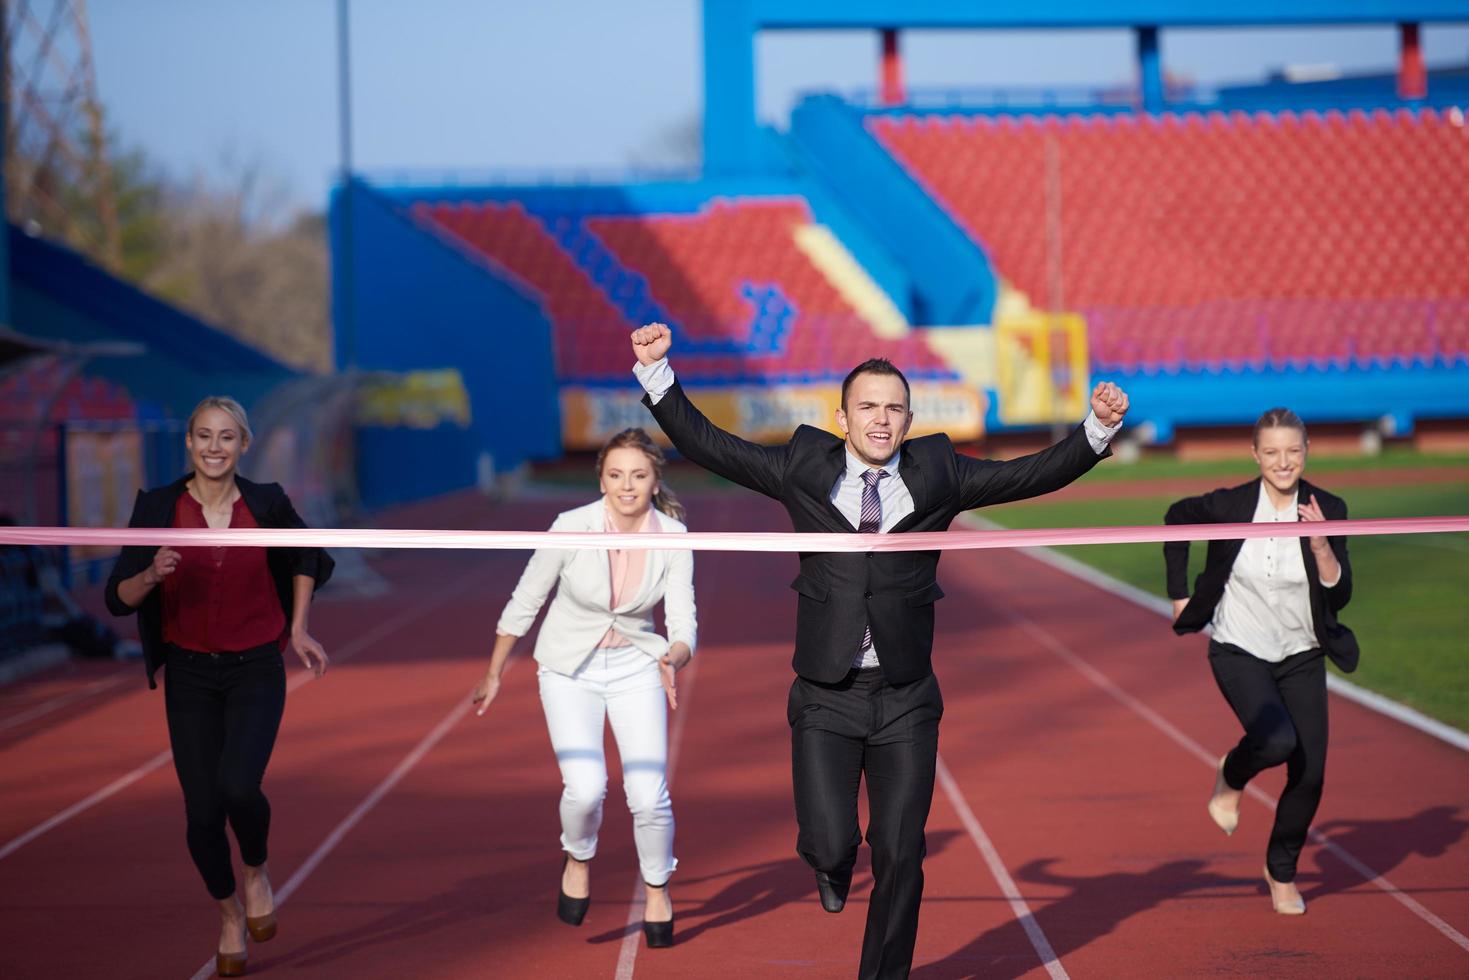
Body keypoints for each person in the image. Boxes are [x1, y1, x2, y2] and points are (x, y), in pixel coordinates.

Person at [628, 322, 1128, 979]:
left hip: (905, 699)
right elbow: (710, 446)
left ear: (909, 418)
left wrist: (1094, 431)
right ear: (842, 417)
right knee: (831, 840)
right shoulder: (800, 467)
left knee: (900, 851)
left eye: (893, 407)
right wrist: (658, 375)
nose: (881, 419)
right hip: (824, 697)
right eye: (867, 406)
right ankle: (829, 864)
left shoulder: (938, 472)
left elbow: (1028, 474)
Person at [105, 396, 333, 978]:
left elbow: (311, 554)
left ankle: (255, 867)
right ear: (188, 442)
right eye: (203, 436)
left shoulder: (266, 502)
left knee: (238, 788)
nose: (214, 447)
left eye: (226, 437)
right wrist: (151, 573)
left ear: (243, 445)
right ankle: (229, 913)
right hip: (189, 674)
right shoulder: (158, 507)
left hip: (255, 666)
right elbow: (117, 597)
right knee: (201, 814)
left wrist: (300, 627)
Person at [472, 427, 697, 949]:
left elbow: (683, 617)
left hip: (637, 666)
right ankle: (578, 854)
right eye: (616, 475)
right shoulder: (569, 526)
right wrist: (494, 671)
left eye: (638, 475)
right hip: (568, 668)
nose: (626, 486)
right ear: (600, 478)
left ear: (654, 479)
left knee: (647, 794)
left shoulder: (674, 535)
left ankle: (658, 888)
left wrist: (674, 654)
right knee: (586, 789)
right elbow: (526, 598)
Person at [1165, 407, 1355, 916]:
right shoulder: (1230, 504)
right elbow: (1176, 518)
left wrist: (1320, 545)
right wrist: (1179, 593)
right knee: (1274, 740)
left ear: (1307, 451)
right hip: (1238, 646)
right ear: (1255, 455)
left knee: (1310, 773)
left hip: (1301, 652)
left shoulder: (1328, 506)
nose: (1283, 461)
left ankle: (1282, 871)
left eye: (1293, 451)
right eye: (1272, 452)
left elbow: (1340, 593)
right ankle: (1232, 775)